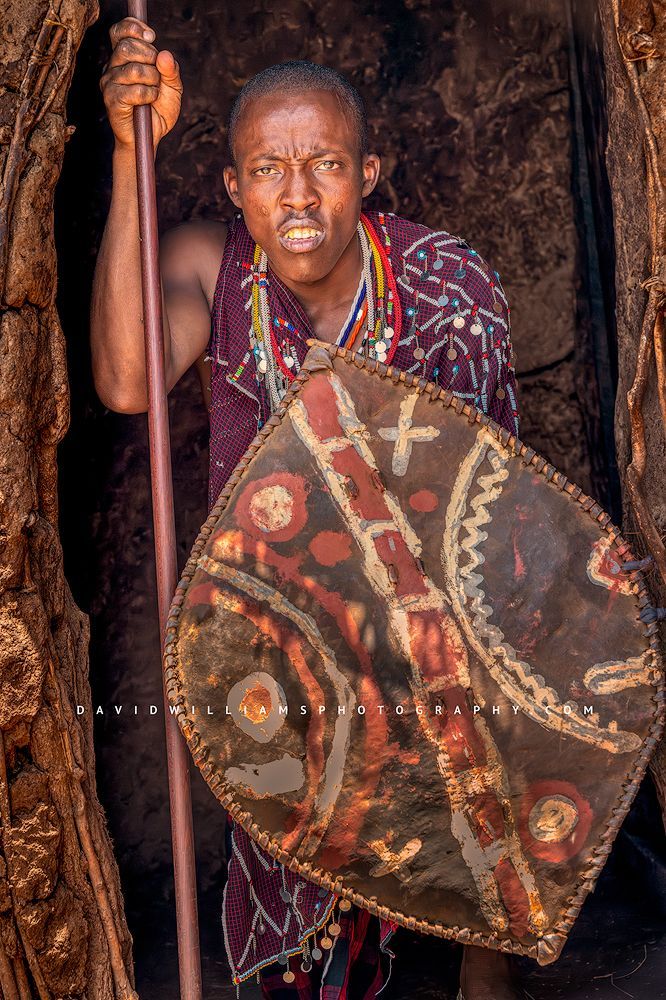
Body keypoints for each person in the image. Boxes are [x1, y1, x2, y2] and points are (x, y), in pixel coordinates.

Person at [93, 16, 521, 1000]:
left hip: (432, 611)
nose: (296, 194)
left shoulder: (446, 286)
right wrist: (132, 159)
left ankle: (486, 948)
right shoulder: (219, 269)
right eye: (269, 169)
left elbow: (500, 503)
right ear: (236, 185)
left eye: (323, 162)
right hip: (280, 621)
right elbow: (124, 377)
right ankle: (323, 947)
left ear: (370, 170)